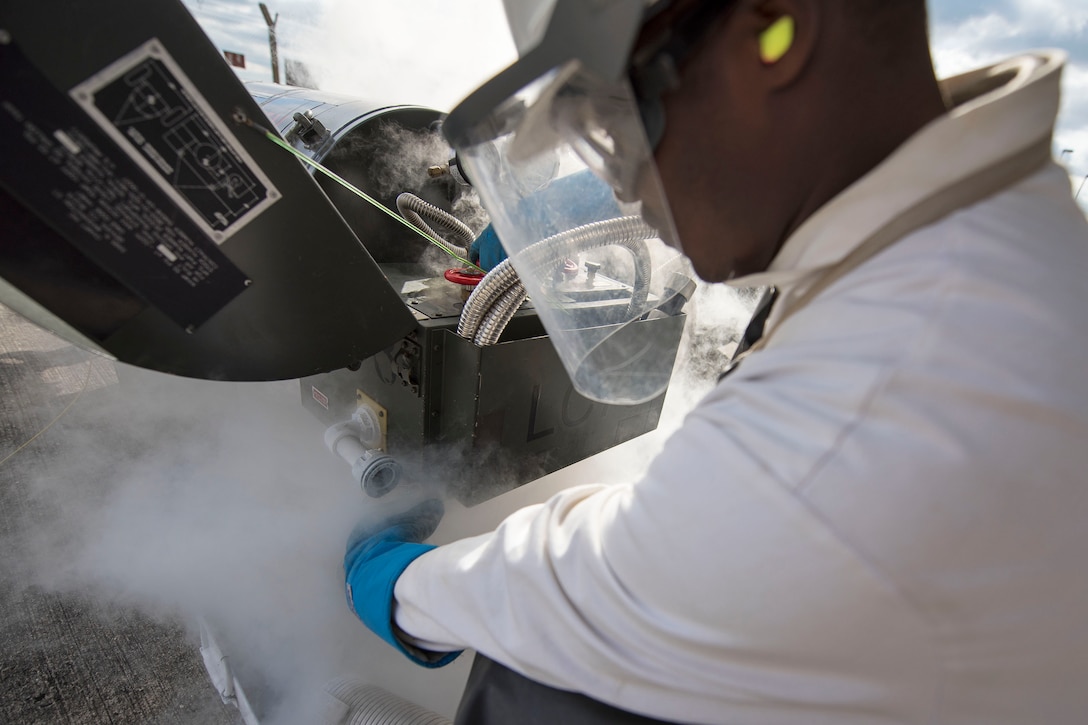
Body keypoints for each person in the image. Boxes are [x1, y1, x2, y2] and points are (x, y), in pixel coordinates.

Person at [344, 0, 1088, 722]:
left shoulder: (883, 395)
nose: (624, 186)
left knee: (540, 687)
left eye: (620, 129)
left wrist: (405, 586)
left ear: (774, 32)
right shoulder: (990, 232)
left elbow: (594, 592)